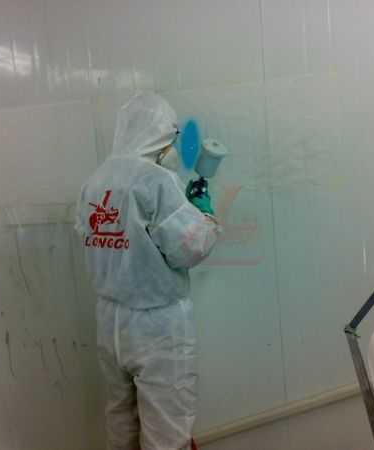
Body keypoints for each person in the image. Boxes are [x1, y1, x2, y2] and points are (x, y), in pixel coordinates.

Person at [75, 93, 221, 450]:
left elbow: (92, 236)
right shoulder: (155, 180)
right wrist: (204, 213)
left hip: (110, 321)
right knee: (166, 434)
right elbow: (191, 247)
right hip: (157, 327)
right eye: (170, 137)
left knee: (120, 423)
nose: (171, 146)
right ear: (158, 133)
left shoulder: (95, 181)